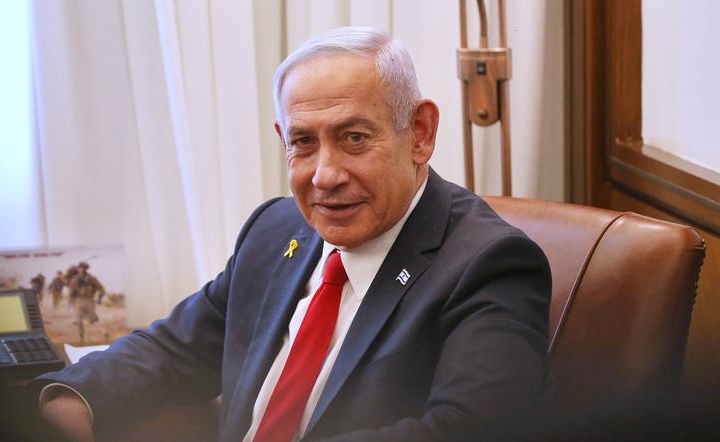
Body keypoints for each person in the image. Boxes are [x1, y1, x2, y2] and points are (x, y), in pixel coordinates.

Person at [37, 27, 551, 441]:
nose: (325, 176)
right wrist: (68, 396)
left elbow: (471, 430)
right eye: (303, 142)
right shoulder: (275, 230)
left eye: (354, 138)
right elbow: (176, 348)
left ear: (419, 133)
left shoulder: (490, 264)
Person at [68, 261, 106, 342]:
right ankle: (81, 336)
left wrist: (99, 298)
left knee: (92, 320)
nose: (82, 269)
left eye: (84, 268)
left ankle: (104, 332)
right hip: (79, 301)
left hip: (89, 301)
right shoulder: (75, 279)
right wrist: (71, 301)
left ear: (86, 269)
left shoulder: (92, 279)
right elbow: (71, 291)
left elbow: (102, 289)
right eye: (80, 268)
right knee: (78, 320)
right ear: (78, 269)